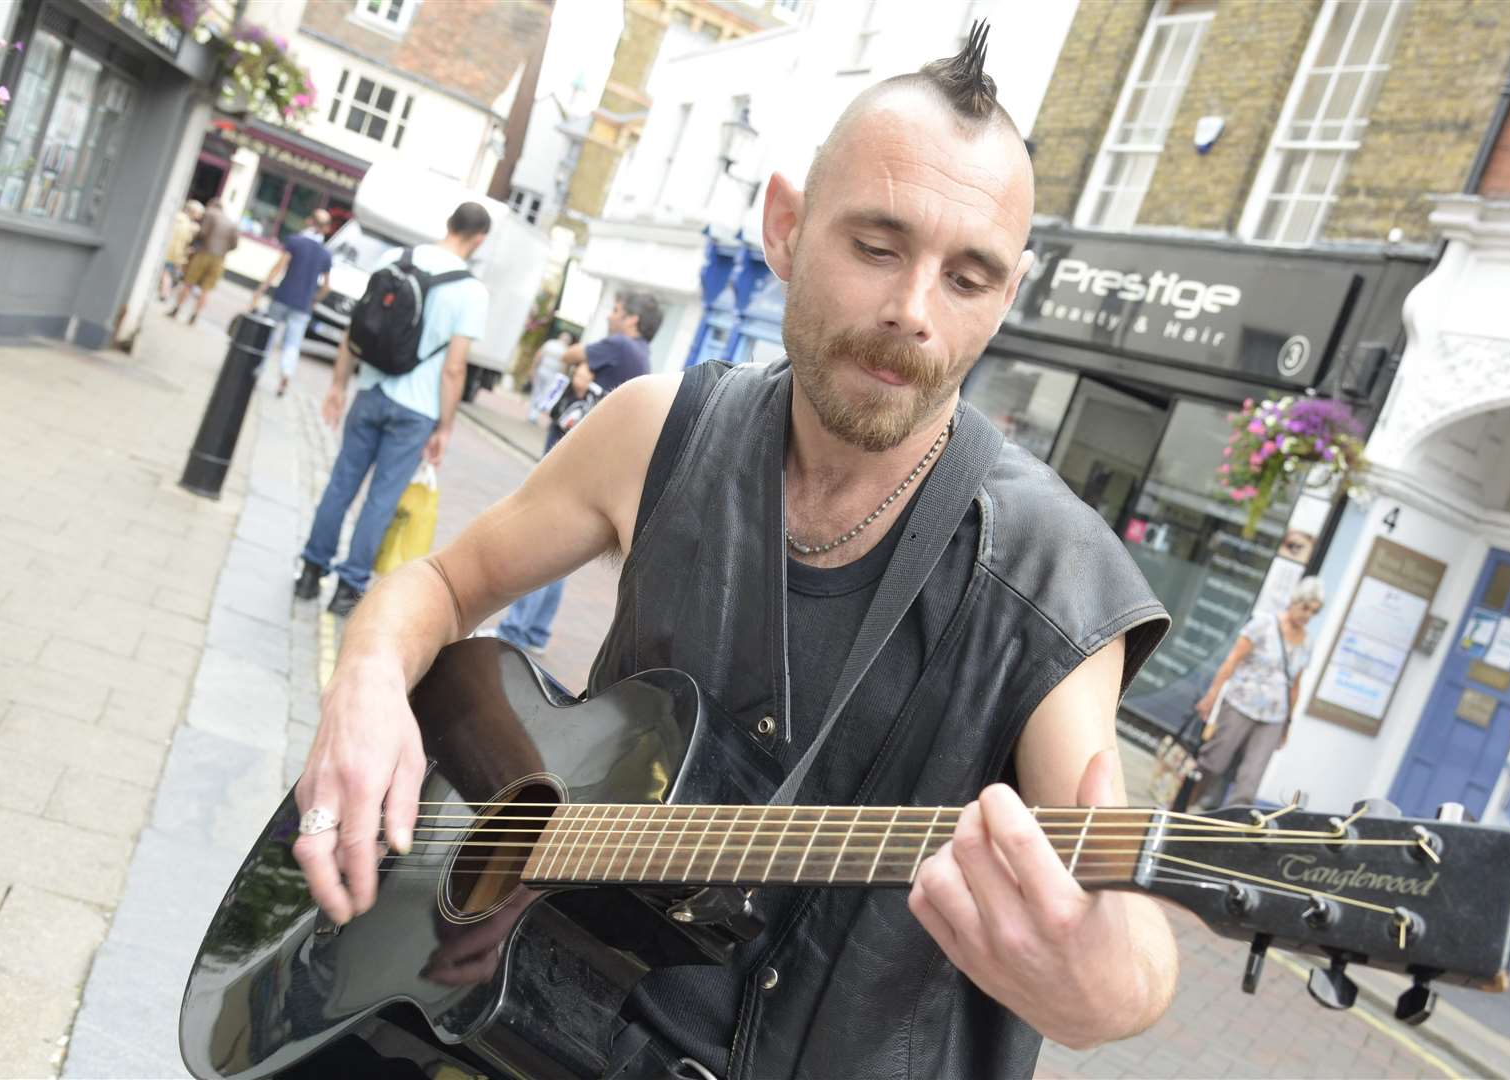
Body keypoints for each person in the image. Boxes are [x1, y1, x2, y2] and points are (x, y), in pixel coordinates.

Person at [292, 28, 1178, 1080]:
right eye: (878, 245)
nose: (914, 313)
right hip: (528, 1026)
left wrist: (1107, 985)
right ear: (786, 228)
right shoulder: (656, 430)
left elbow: (1124, 920)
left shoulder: (1050, 576)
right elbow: (439, 585)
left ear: (1007, 298)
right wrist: (367, 676)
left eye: (969, 277)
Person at [292, 203, 491, 618]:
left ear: (448, 223)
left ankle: (311, 572)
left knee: (341, 484)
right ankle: (348, 590)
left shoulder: (393, 260)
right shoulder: (471, 292)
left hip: (370, 389)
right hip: (416, 412)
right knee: (381, 500)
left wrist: (337, 385)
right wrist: (445, 427)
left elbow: (356, 329)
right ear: (479, 239)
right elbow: (455, 368)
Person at [485, 360, 606, 653]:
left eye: (585, 373)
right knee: (561, 562)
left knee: (544, 555)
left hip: (567, 485)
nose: (579, 377)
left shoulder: (598, 400)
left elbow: (570, 423)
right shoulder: (564, 388)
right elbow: (547, 408)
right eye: (577, 371)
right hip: (557, 476)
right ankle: (537, 632)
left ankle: (514, 631)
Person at [1190, 577, 1325, 810]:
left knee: (1249, 782)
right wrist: (1212, 696)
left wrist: (1287, 724)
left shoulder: (1307, 643)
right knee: (1214, 763)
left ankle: (1227, 834)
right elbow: (1232, 661)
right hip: (1240, 704)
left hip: (1274, 717)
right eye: (1305, 607)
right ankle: (1182, 807)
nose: (1307, 616)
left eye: (1314, 612)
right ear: (1294, 601)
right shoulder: (1263, 624)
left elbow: (1295, 685)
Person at [249, 209, 335, 398]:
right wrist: (314, 299)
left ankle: (256, 372)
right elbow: (327, 287)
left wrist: (260, 290)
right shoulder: (325, 254)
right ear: (326, 229)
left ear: (309, 221)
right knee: (292, 344)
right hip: (303, 305)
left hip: (283, 297)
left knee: (268, 337)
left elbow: (279, 267)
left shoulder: (296, 242)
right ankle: (285, 376)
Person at [560, 290, 659, 392]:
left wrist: (586, 363)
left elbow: (568, 355)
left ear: (632, 320)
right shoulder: (644, 357)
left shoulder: (621, 344)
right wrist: (588, 362)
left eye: (615, 310)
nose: (609, 317)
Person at [170, 201, 239, 326]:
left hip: (203, 253)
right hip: (219, 259)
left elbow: (202, 233)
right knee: (206, 290)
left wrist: (191, 246)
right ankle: (194, 316)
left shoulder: (210, 214)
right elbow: (234, 245)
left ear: (211, 205)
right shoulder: (231, 223)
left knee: (188, 283)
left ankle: (176, 309)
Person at [524, 329, 574, 422]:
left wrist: (533, 368)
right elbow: (564, 366)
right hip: (551, 374)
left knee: (537, 392)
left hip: (543, 371)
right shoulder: (565, 349)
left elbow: (538, 356)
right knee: (544, 394)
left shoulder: (550, 343)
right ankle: (534, 414)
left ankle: (532, 414)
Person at [158, 199, 202, 302]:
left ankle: (164, 292)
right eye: (198, 214)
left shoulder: (178, 219)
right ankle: (164, 293)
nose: (199, 217)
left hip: (169, 251)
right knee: (167, 273)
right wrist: (181, 257)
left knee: (166, 272)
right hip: (174, 254)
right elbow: (182, 242)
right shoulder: (187, 226)